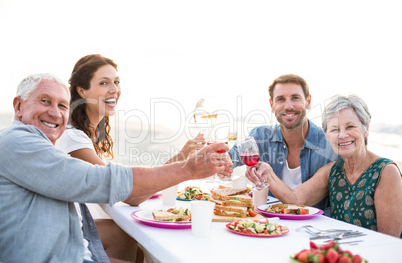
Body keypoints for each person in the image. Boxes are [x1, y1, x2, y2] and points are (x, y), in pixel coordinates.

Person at [0, 73, 233, 263]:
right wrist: (189, 169)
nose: (55, 112)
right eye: (45, 101)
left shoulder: (38, 144)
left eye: (62, 105)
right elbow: (100, 181)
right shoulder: (17, 141)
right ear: (18, 106)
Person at [55, 54, 205, 262]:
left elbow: (125, 182)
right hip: (60, 236)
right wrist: (186, 166)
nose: (114, 89)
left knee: (125, 236)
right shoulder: (74, 139)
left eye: (116, 82)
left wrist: (180, 158)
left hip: (71, 224)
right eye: (104, 83)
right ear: (82, 90)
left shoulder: (85, 134)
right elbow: (130, 194)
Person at [247, 94, 402, 237]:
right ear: (327, 136)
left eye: (350, 127)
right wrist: (269, 174)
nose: (342, 135)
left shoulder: (385, 172)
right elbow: (295, 199)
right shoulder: (332, 171)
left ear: (366, 129)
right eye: (334, 129)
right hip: (340, 251)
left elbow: (389, 241)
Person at [229, 74, 338, 211]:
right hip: (268, 225)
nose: (288, 106)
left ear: (308, 101)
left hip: (313, 228)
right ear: (272, 105)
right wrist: (217, 159)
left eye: (295, 98)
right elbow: (228, 159)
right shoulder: (260, 137)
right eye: (280, 99)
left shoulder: (330, 145)